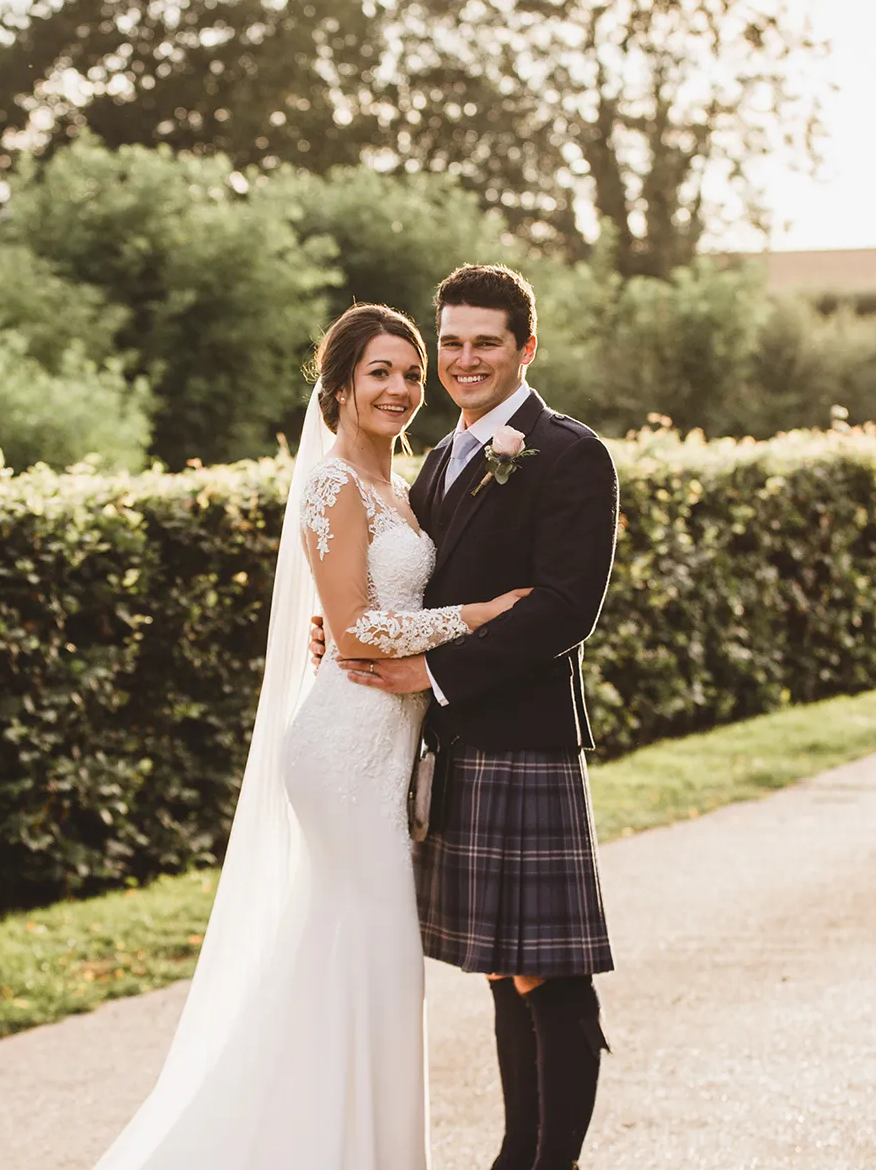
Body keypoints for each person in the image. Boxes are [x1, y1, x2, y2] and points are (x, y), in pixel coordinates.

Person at [89, 303, 528, 1170]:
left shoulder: (403, 487)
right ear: (339, 385)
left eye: (410, 371)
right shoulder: (330, 484)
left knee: (354, 959)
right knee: (376, 957)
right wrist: (476, 616)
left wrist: (403, 626)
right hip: (343, 747)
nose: (402, 387)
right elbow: (360, 631)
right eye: (380, 372)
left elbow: (368, 613)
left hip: (389, 740)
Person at [314, 264, 618, 1170]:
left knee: (549, 974)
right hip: (442, 748)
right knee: (500, 967)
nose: (463, 359)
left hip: (521, 738)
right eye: (450, 342)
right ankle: (514, 1154)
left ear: (527, 348)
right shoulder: (437, 457)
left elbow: (566, 607)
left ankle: (548, 1161)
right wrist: (342, 635)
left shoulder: (568, 452)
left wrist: (431, 672)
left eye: (486, 342)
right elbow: (384, 587)